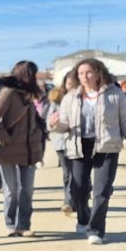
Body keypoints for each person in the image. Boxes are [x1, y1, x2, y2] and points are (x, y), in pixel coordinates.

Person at [49, 59, 126, 244]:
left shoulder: (114, 95)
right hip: (79, 146)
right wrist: (54, 124)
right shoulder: (71, 97)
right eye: (81, 73)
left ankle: (96, 230)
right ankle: (83, 220)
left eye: (88, 72)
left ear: (99, 73)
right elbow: (65, 125)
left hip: (106, 147)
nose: (84, 77)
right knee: (78, 189)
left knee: (102, 190)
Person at [0, 60, 45, 235]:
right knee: (12, 190)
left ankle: (24, 225)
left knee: (27, 189)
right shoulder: (8, 93)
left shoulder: (31, 94)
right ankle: (11, 223)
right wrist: (6, 137)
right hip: (8, 149)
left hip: (29, 149)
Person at [47, 70, 79, 215]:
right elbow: (49, 121)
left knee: (78, 173)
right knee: (67, 173)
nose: (70, 87)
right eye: (68, 84)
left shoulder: (83, 99)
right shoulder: (56, 100)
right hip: (61, 141)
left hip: (79, 141)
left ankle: (79, 199)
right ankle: (68, 201)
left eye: (73, 84)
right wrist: (54, 123)